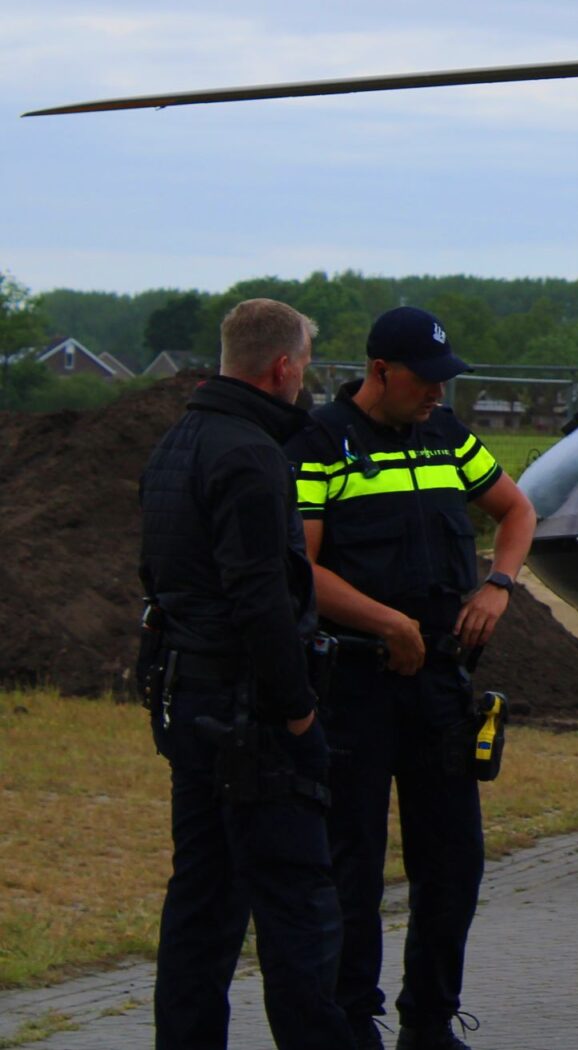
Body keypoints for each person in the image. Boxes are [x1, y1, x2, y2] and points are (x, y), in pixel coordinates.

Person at [284, 307, 539, 1050]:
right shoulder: (319, 443)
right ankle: (352, 1018)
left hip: (437, 684)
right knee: (352, 864)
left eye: (443, 380)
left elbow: (516, 510)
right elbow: (300, 568)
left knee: (454, 859)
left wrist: (498, 586)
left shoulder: (446, 436)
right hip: (356, 683)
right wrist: (384, 623)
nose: (435, 393)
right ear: (380, 372)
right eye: (424, 381)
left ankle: (429, 1020)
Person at [139, 297, 354, 1049]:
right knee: (297, 903)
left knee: (201, 901)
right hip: (250, 717)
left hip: (186, 697)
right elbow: (261, 594)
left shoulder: (177, 444)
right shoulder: (253, 455)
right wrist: (296, 713)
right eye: (305, 366)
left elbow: (157, 575)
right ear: (284, 366)